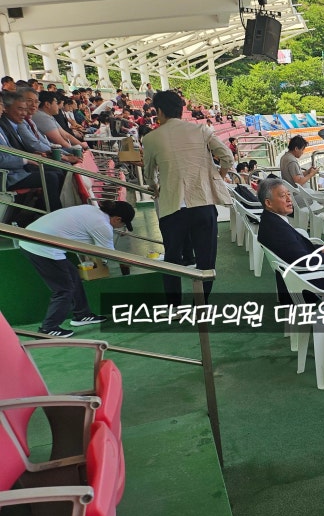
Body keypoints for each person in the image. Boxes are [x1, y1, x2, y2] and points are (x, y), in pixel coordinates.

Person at [142, 90, 233, 304]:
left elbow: (148, 174)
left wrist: (155, 187)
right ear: (181, 110)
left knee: (172, 258)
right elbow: (227, 157)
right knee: (206, 259)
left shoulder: (151, 138)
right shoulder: (201, 129)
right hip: (202, 203)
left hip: (172, 207)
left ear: (160, 111)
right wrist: (218, 176)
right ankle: (200, 304)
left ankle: (174, 305)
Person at [20, 201, 135, 338]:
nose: (122, 228)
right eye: (123, 225)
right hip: (41, 246)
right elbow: (108, 255)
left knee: (73, 275)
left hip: (32, 237)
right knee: (64, 289)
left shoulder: (91, 210)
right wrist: (127, 262)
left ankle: (82, 314)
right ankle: (48, 329)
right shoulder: (102, 225)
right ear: (117, 219)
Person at [256, 179, 324, 302]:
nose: (289, 199)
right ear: (268, 203)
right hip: (314, 280)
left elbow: (294, 251)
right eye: (283, 196)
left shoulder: (270, 221)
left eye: (288, 194)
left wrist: (320, 250)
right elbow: (303, 262)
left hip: (305, 275)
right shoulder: (276, 229)